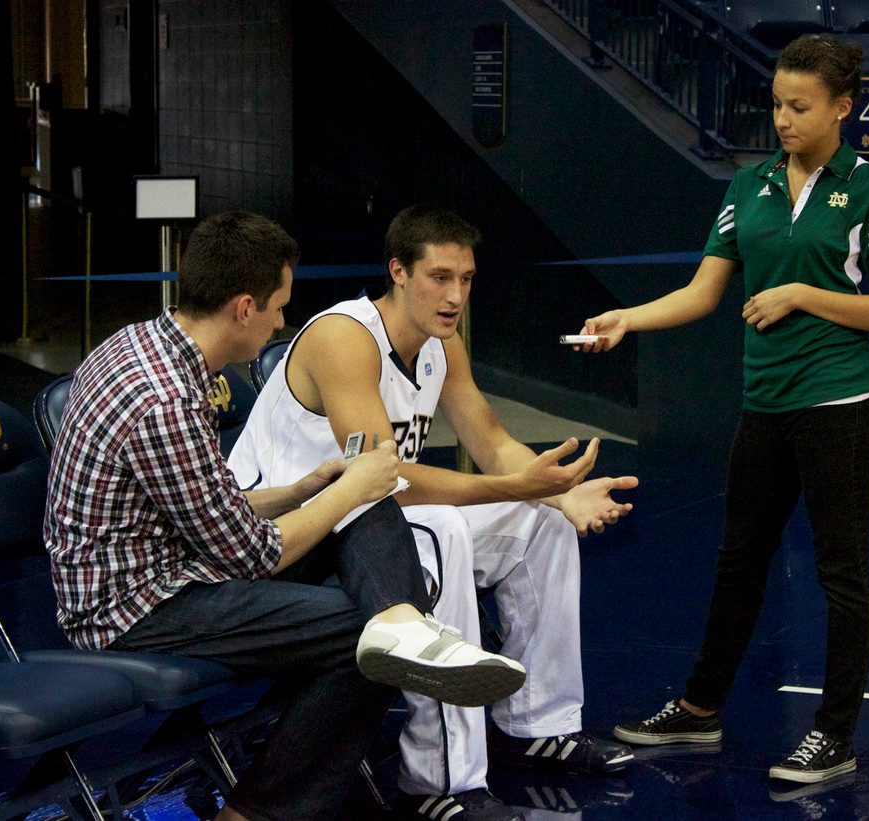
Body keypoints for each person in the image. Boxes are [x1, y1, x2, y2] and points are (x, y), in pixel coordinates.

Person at [44, 211, 526, 821]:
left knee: (358, 509)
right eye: (277, 307)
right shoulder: (164, 399)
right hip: (137, 608)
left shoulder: (142, 347)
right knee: (365, 633)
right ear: (245, 308)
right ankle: (255, 812)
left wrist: (306, 489)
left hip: (174, 564)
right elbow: (253, 555)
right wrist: (346, 492)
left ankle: (400, 619)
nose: (281, 322)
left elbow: (206, 505)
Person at [576, 34, 869, 784]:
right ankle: (701, 709)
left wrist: (802, 294)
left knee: (843, 569)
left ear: (842, 107)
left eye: (800, 106)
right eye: (776, 104)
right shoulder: (749, 185)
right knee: (739, 561)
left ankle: (834, 734)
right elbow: (704, 292)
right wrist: (627, 318)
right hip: (764, 403)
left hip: (840, 403)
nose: (784, 119)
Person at [228, 204, 640, 821]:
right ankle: (441, 784)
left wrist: (554, 492)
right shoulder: (345, 337)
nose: (455, 296)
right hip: (285, 541)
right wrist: (517, 487)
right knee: (442, 528)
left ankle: (535, 725)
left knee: (541, 525)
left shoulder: (441, 348)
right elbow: (382, 482)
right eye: (439, 278)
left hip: (366, 534)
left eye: (466, 279)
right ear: (398, 271)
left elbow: (493, 443)